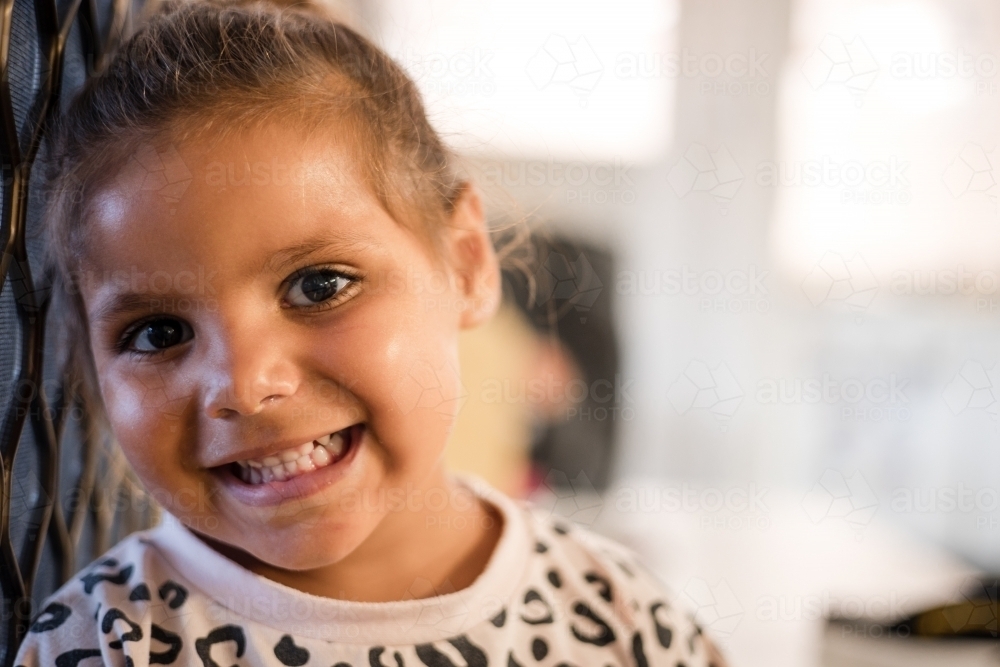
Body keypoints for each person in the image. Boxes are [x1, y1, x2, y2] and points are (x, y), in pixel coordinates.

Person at [16, 1, 724, 664]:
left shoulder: (621, 617)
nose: (245, 382)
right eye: (159, 331)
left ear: (467, 263)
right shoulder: (103, 643)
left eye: (319, 285)